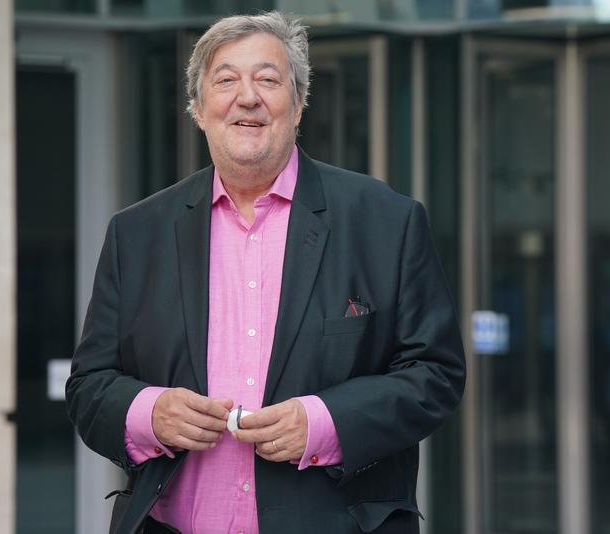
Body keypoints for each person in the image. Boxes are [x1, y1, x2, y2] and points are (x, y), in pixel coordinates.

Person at [66, 11, 465, 534]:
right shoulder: (136, 233)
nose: (247, 97)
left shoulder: (386, 220)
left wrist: (325, 423)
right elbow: (90, 386)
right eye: (226, 80)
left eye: (268, 80)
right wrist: (149, 413)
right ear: (198, 108)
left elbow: (435, 374)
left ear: (297, 105)